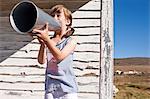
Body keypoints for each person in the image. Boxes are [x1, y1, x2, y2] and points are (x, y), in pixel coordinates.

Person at [32, 5, 78, 99]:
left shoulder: (71, 41)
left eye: (58, 15)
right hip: (50, 88)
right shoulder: (49, 41)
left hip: (67, 89)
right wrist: (43, 44)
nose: (54, 18)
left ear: (68, 21)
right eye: (52, 16)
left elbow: (60, 57)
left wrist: (47, 40)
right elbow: (41, 61)